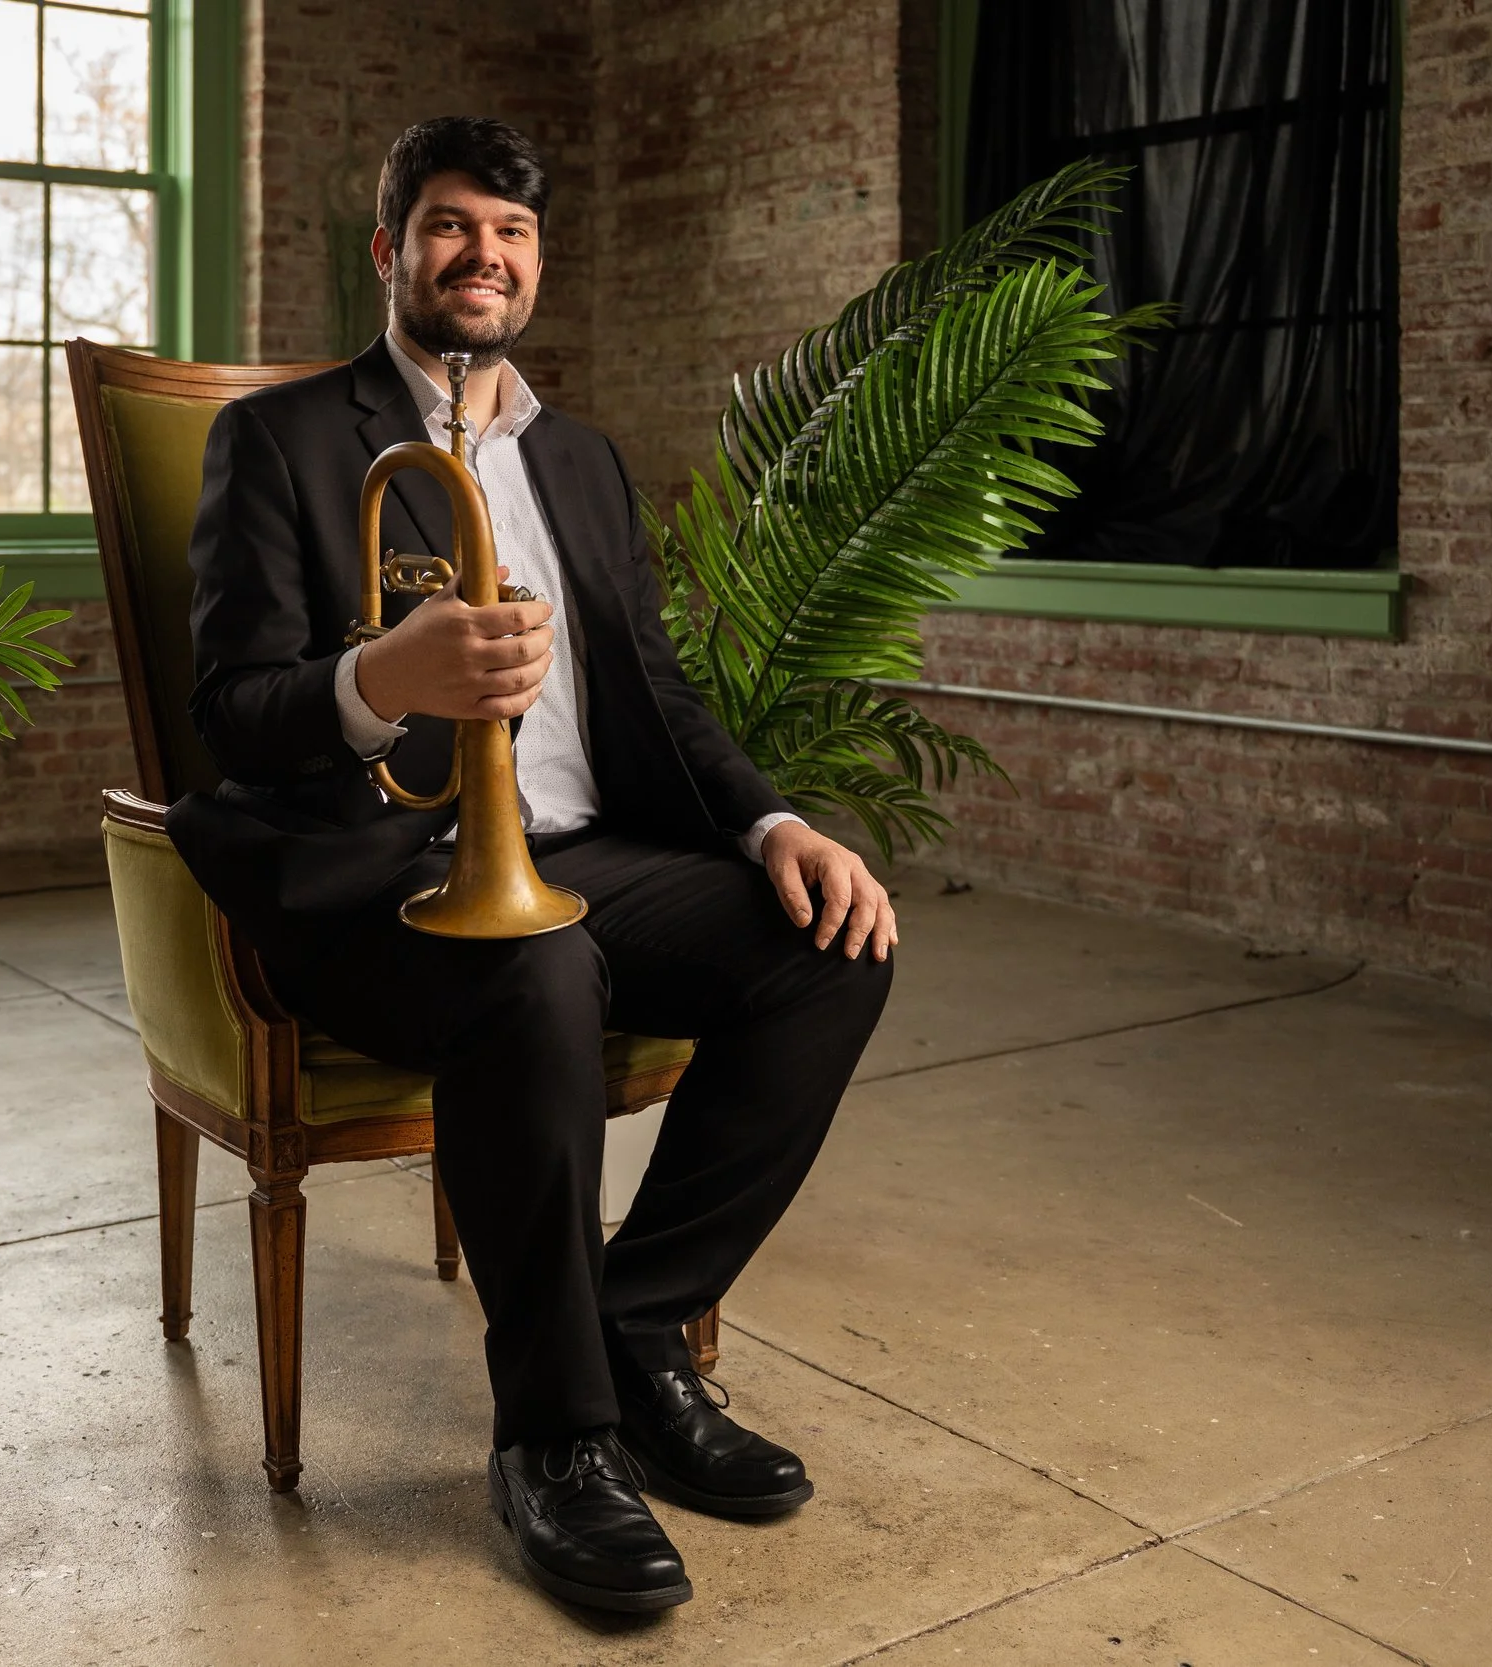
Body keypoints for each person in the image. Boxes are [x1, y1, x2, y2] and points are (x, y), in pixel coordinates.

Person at [168, 115, 897, 1614]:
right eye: (450, 225)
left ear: (538, 261)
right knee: (539, 974)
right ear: (392, 250)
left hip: (579, 851)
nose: (482, 255)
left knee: (828, 947)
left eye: (510, 232)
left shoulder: (581, 459)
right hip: (376, 876)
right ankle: (554, 1441)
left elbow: (661, 693)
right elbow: (233, 714)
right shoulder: (282, 439)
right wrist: (381, 678)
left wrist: (775, 824)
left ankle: (634, 1332)